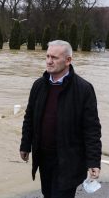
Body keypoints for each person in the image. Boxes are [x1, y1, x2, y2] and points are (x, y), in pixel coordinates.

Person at [20, 40, 102, 198]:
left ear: (68, 60)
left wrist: (93, 161)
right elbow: (29, 117)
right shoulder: (38, 86)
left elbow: (91, 129)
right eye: (47, 56)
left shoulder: (84, 89)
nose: (49, 61)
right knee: (48, 194)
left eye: (55, 57)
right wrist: (25, 144)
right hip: (43, 157)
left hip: (68, 159)